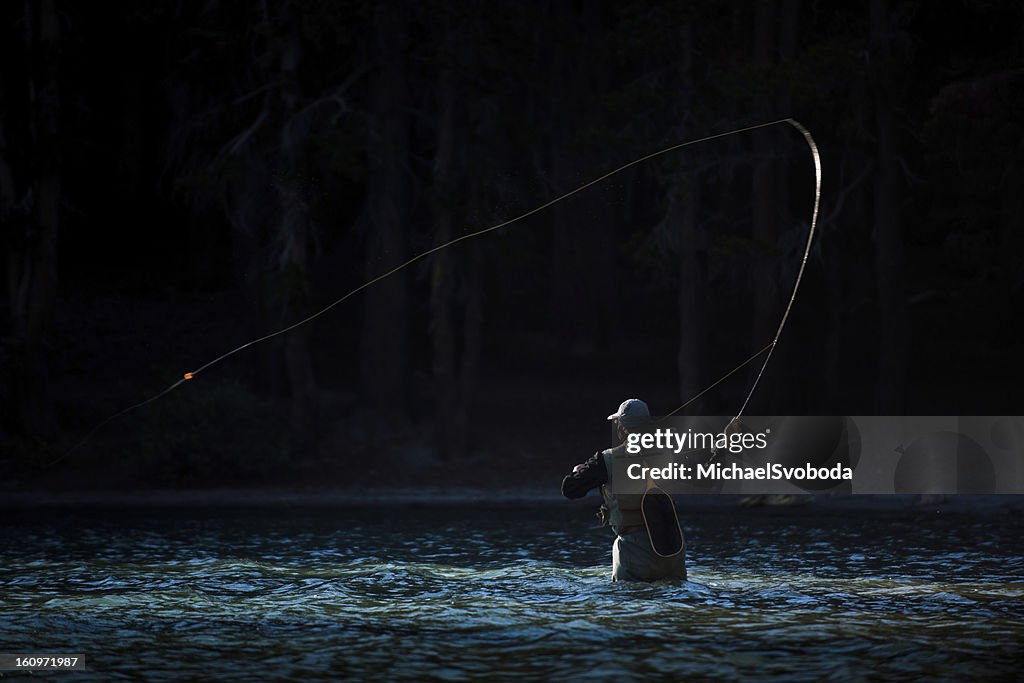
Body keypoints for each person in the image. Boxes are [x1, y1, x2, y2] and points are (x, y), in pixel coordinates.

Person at [561, 398, 686, 582]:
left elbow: (570, 490)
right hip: (673, 547)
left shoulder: (606, 460)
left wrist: (579, 472)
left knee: (629, 603)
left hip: (634, 551)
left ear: (621, 427)